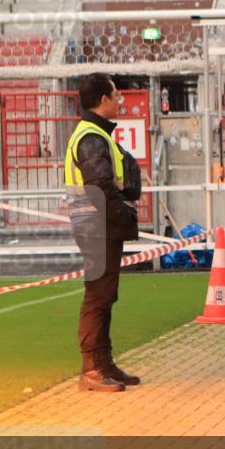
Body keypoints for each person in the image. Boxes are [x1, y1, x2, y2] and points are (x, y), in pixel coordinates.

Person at [65, 74, 142, 392]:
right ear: (103, 100)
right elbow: (100, 185)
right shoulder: (92, 138)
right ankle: (91, 369)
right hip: (98, 226)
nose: (120, 100)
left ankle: (103, 363)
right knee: (98, 297)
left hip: (100, 225)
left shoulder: (95, 134)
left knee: (105, 295)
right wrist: (124, 213)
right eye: (116, 95)